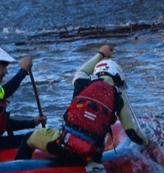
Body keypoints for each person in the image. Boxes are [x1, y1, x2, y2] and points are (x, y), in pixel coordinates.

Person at [18, 43, 152, 163]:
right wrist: (148, 143)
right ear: (118, 78)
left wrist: (101, 54)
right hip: (91, 155)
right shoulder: (118, 99)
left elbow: (82, 71)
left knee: (28, 139)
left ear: (98, 73)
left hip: (63, 145)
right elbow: (132, 132)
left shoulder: (82, 83)